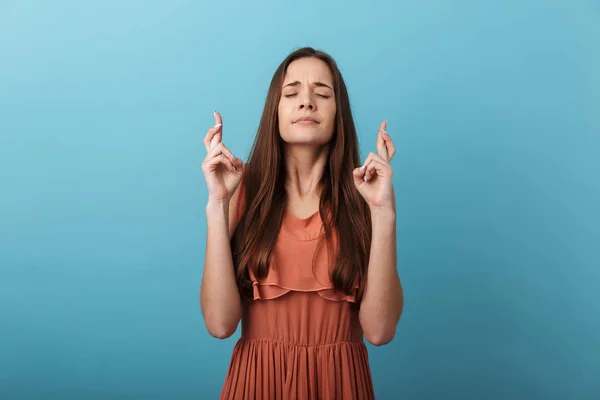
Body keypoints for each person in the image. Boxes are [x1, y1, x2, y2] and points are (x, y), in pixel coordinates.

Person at [200, 47, 403, 400]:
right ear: (274, 113)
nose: (306, 102)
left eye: (322, 93)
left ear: (338, 113)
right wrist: (218, 205)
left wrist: (384, 211)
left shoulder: (366, 195)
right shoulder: (240, 189)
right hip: (256, 384)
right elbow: (219, 324)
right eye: (292, 93)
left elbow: (380, 332)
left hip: (341, 386)